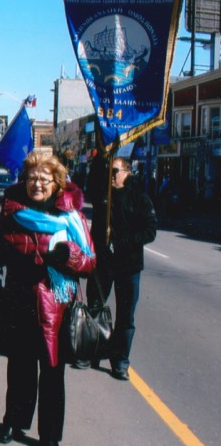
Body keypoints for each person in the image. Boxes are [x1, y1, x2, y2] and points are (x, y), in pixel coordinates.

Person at [0, 152, 96, 445]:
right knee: (20, 368)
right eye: (33, 178)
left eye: (45, 179)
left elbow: (90, 261)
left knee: (52, 373)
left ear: (57, 183)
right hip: (20, 298)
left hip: (56, 307)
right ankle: (13, 422)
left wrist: (69, 256)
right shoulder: (14, 212)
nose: (38, 184)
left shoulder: (71, 217)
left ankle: (50, 436)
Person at [84, 157, 157, 380]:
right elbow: (93, 177)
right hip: (103, 263)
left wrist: (123, 243)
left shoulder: (140, 199)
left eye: (115, 171)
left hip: (129, 265)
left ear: (127, 172)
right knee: (95, 306)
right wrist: (101, 156)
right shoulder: (102, 195)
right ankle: (92, 350)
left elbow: (150, 231)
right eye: (109, 171)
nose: (112, 175)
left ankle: (120, 361)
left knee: (126, 316)